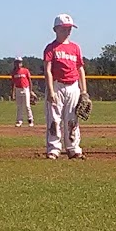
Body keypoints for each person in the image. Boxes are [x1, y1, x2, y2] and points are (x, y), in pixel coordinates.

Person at [41, 14, 86, 158]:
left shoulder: (75, 48)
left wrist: (84, 91)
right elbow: (47, 70)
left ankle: (73, 148)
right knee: (54, 119)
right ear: (56, 29)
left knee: (72, 118)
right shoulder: (51, 48)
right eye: (65, 28)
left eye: (69, 28)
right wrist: (50, 90)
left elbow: (80, 69)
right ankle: (54, 148)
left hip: (73, 86)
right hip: (57, 85)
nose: (68, 31)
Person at [10, 59, 35, 127]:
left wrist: (30, 91)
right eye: (17, 62)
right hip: (18, 89)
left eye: (20, 62)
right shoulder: (14, 72)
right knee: (19, 106)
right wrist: (13, 93)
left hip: (25, 88)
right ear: (15, 63)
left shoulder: (25, 70)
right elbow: (13, 83)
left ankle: (30, 120)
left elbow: (30, 81)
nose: (18, 64)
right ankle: (19, 121)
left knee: (27, 105)